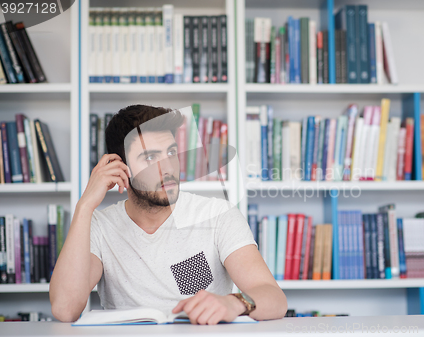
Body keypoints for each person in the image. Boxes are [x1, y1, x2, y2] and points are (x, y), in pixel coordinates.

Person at [49, 105, 287, 324]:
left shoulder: (217, 215)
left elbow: (274, 299)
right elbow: (65, 309)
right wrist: (84, 207)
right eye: (151, 157)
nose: (168, 169)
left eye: (171, 153)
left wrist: (235, 303)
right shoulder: (99, 226)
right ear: (121, 169)